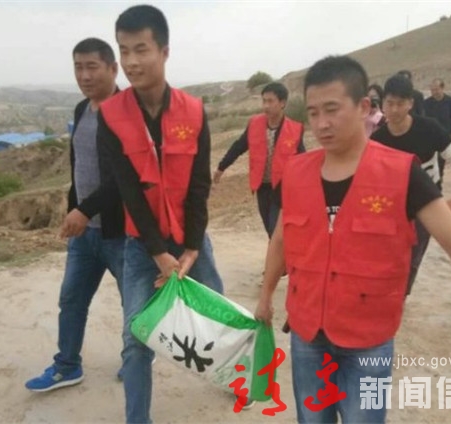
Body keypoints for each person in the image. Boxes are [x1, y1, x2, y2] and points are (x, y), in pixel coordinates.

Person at [255, 55, 451, 424]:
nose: (322, 123)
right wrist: (265, 295)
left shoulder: (401, 172)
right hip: (307, 335)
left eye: (332, 109)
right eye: (313, 113)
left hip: (369, 342)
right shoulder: (297, 173)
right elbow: (281, 240)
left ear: (363, 107)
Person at [97, 5, 224, 423]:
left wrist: (191, 248)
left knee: (219, 317)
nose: (131, 61)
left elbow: (200, 186)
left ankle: (234, 379)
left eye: (141, 49)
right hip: (142, 245)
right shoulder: (111, 116)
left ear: (164, 51)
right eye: (124, 51)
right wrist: (158, 253)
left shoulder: (193, 110)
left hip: (191, 241)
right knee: (137, 336)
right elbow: (128, 192)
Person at [25, 38, 126, 392]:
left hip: (120, 232)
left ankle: (137, 358)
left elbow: (125, 177)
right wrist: (74, 208)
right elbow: (79, 166)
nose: (84, 75)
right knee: (71, 299)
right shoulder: (82, 108)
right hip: (85, 234)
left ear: (113, 68)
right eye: (78, 67)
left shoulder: (128, 113)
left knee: (134, 302)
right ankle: (67, 365)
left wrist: (84, 210)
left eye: (91, 67)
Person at [373, 74, 451, 296]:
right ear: (383, 104)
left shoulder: (429, 128)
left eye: (400, 103)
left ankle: (400, 296)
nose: (395, 110)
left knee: (413, 256)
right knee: (388, 254)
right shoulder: (378, 140)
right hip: (393, 208)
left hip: (426, 204)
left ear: (410, 103)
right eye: (390, 103)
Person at [213, 82, 304, 238]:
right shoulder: (255, 124)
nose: (266, 106)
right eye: (264, 101)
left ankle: (280, 253)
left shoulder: (294, 129)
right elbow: (238, 147)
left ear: (282, 103)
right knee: (270, 229)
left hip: (282, 188)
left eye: (270, 101)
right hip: (262, 187)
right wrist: (221, 167)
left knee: (276, 230)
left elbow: (302, 159)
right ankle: (280, 253)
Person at [423, 78, 451, 182]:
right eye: (432, 90)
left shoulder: (450, 101)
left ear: (442, 88)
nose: (434, 92)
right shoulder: (427, 103)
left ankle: (440, 176)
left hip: (445, 134)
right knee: (430, 156)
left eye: (436, 89)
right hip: (430, 134)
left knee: (441, 158)